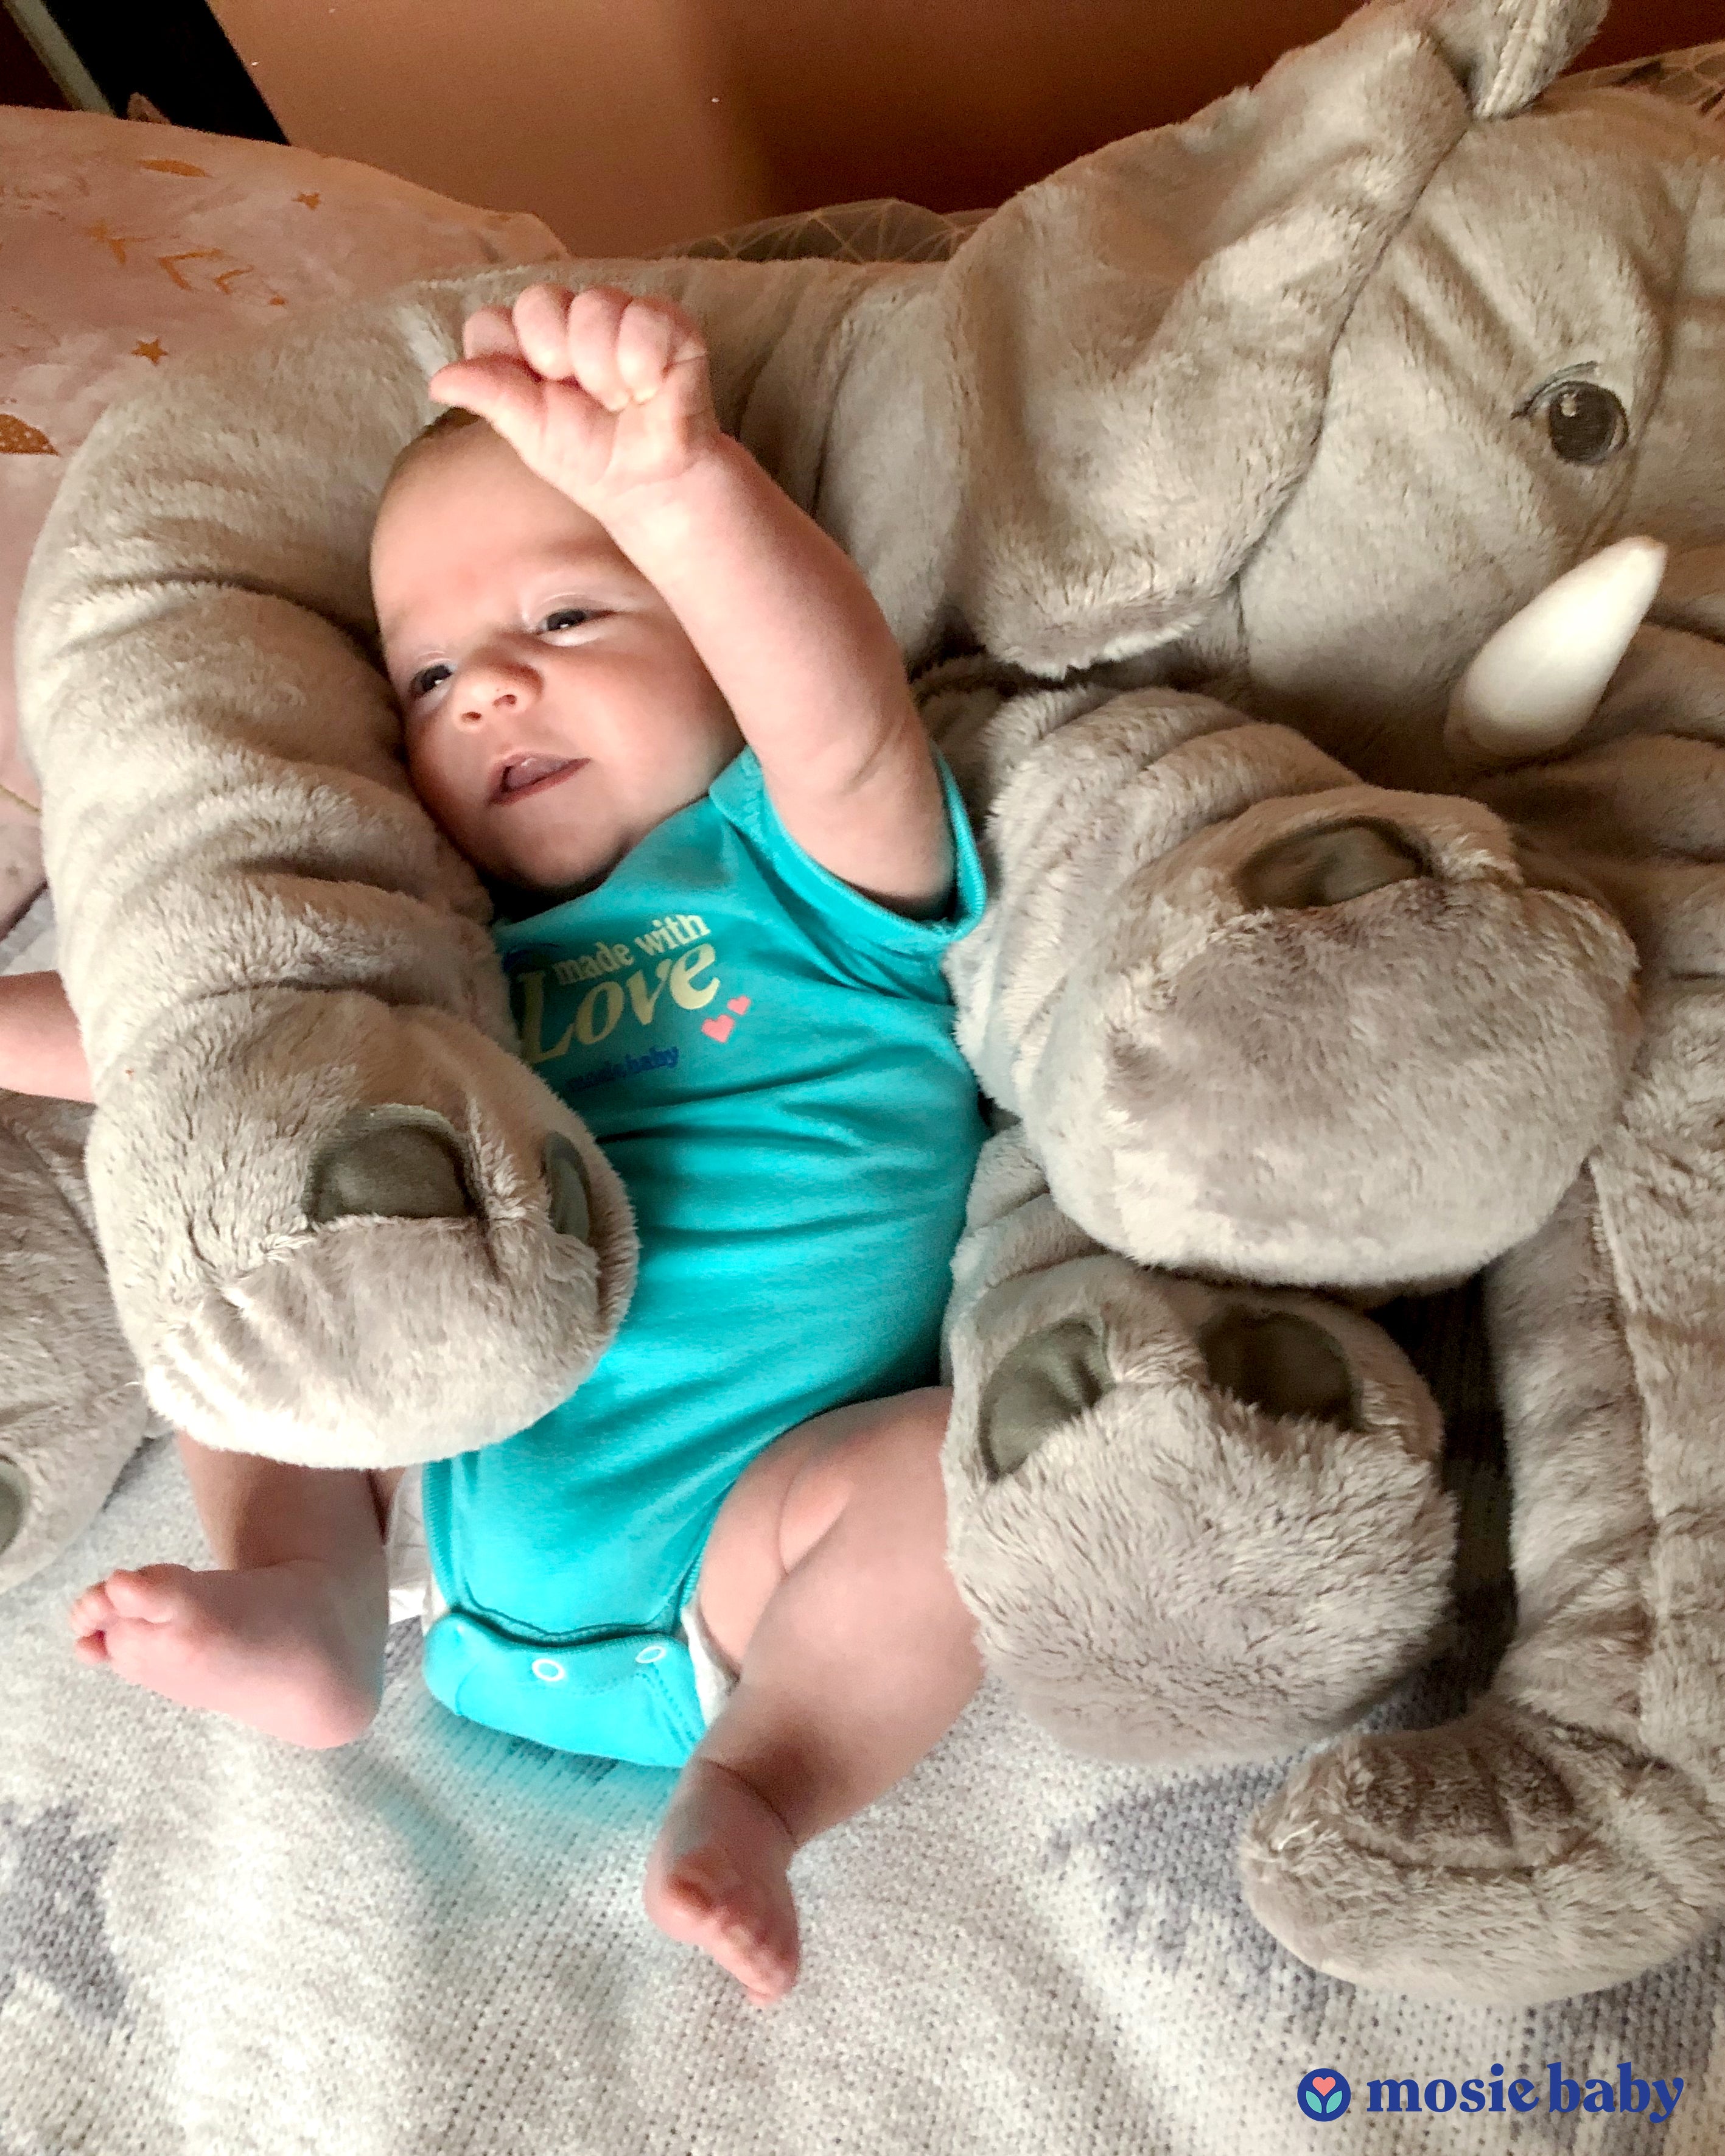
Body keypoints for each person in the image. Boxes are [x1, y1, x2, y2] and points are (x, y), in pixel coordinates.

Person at [0, 283, 990, 2006]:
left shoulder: (799, 867)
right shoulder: (432, 951)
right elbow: (180, 1043)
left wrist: (680, 491)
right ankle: (303, 1597)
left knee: (959, 1486)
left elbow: (842, 714)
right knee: (243, 1218)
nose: (490, 690)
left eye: (570, 612)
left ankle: (763, 1791)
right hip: (451, 1554)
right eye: (432, 673)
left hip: (755, 1567)